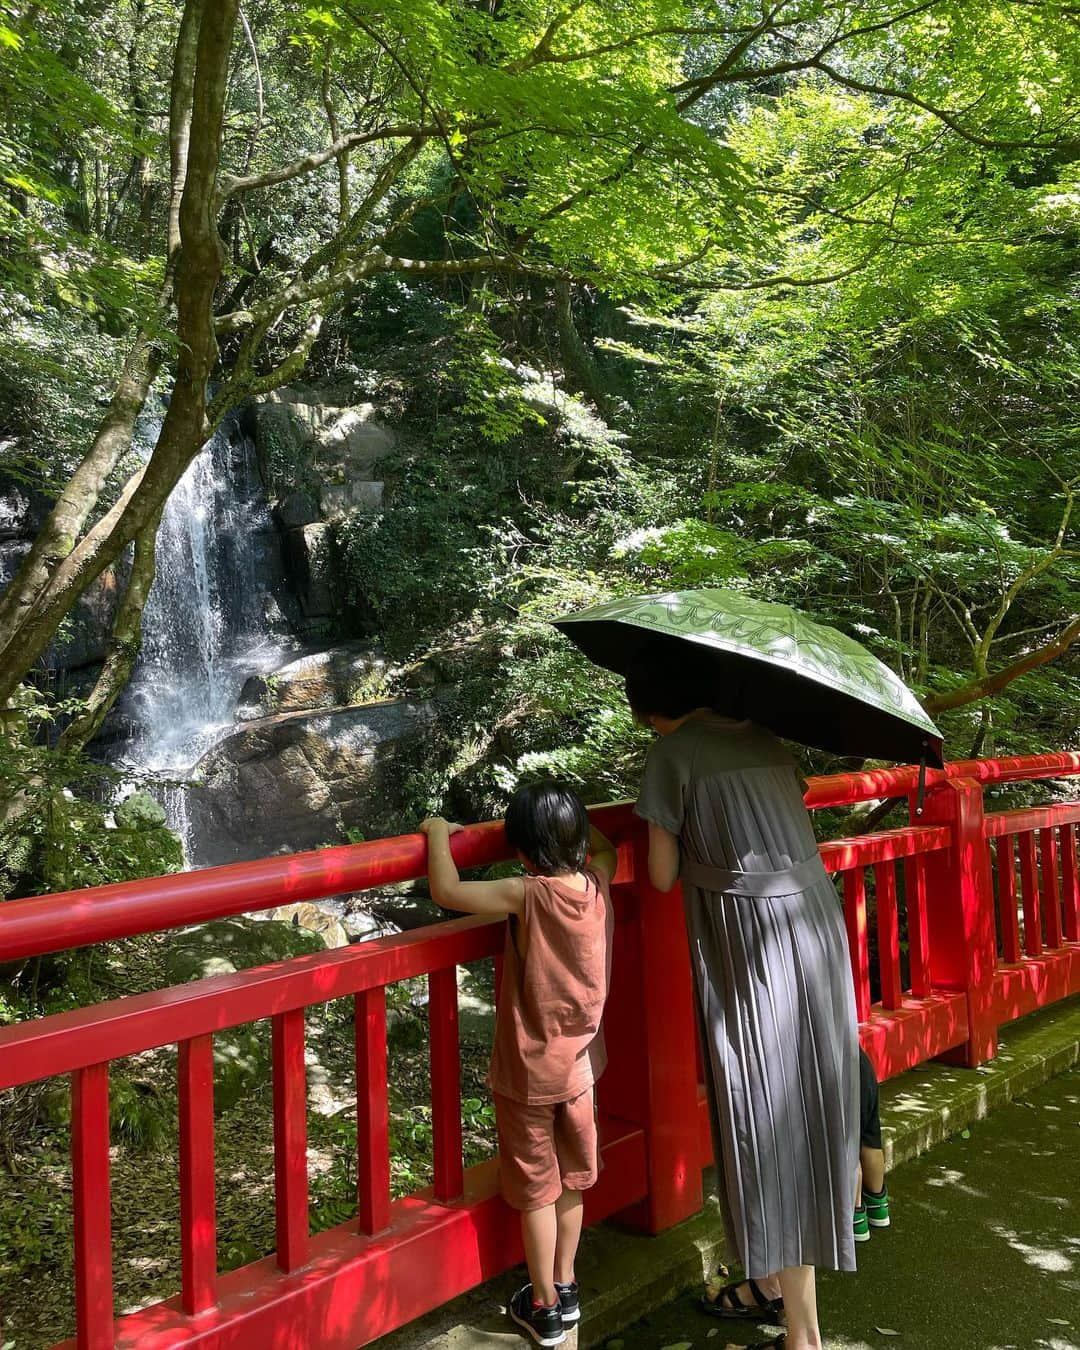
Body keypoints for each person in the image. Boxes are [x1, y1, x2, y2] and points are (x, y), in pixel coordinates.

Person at [627, 655, 859, 1350]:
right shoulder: (763, 737)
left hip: (750, 934)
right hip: (815, 923)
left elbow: (662, 876)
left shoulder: (674, 754)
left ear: (650, 707)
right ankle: (769, 1285)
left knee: (766, 1114)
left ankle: (803, 1334)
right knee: (815, 1104)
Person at [421, 782, 617, 1349]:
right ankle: (567, 1281)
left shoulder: (526, 895)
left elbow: (447, 889)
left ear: (522, 852)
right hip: (581, 1070)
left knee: (538, 1190)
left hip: (530, 1073)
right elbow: (607, 851)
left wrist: (438, 833)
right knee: (575, 1181)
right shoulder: (597, 883)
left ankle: (544, 1305)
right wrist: (587, 824)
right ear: (577, 841)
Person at [853, 1047, 890, 1241]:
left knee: (847, 1148)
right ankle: (879, 1207)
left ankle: (855, 1214)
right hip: (861, 1064)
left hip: (838, 1071)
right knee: (870, 1140)